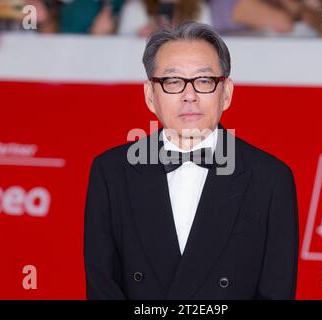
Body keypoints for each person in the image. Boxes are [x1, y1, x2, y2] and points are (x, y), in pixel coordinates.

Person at [84, 21, 299, 300]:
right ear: (150, 95)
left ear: (227, 93)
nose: (189, 96)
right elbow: (102, 287)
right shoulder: (111, 172)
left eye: (204, 81)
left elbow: (276, 292)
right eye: (172, 81)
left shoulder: (270, 179)